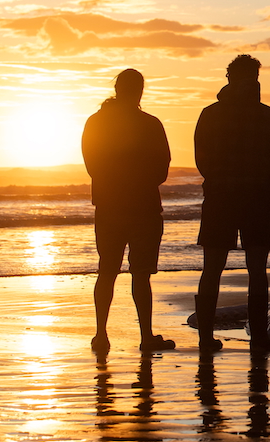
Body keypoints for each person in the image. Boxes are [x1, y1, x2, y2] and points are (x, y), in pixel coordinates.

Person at [194, 54, 270, 353]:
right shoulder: (269, 116)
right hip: (254, 197)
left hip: (223, 196)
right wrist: (261, 183)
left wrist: (222, 179)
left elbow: (202, 159)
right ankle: (258, 338)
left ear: (228, 78)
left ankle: (207, 338)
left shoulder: (211, 114)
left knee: (214, 268)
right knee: (255, 268)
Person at [82, 68, 175, 353]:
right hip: (143, 207)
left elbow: (92, 167)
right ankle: (145, 336)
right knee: (141, 274)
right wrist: (138, 181)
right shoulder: (149, 124)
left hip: (109, 206)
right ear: (139, 92)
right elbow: (162, 169)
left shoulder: (96, 122)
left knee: (107, 270)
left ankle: (101, 335)